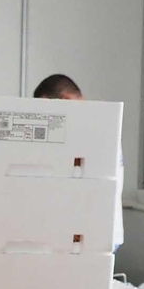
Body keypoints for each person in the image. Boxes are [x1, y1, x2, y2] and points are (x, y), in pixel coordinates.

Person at [32, 73, 125, 252]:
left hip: (91, 232)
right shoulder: (104, 119)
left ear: (65, 99)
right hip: (100, 230)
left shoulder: (91, 122)